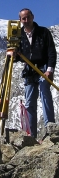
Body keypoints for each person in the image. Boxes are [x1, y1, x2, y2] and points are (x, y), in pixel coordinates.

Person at [16, 8, 57, 138]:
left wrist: (50, 69)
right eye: (23, 18)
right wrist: (14, 54)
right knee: (29, 102)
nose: (26, 21)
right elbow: (17, 58)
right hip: (29, 70)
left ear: (33, 17)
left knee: (45, 93)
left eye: (28, 17)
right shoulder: (19, 35)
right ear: (20, 20)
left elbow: (51, 52)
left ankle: (50, 128)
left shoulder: (43, 32)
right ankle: (31, 135)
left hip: (44, 68)